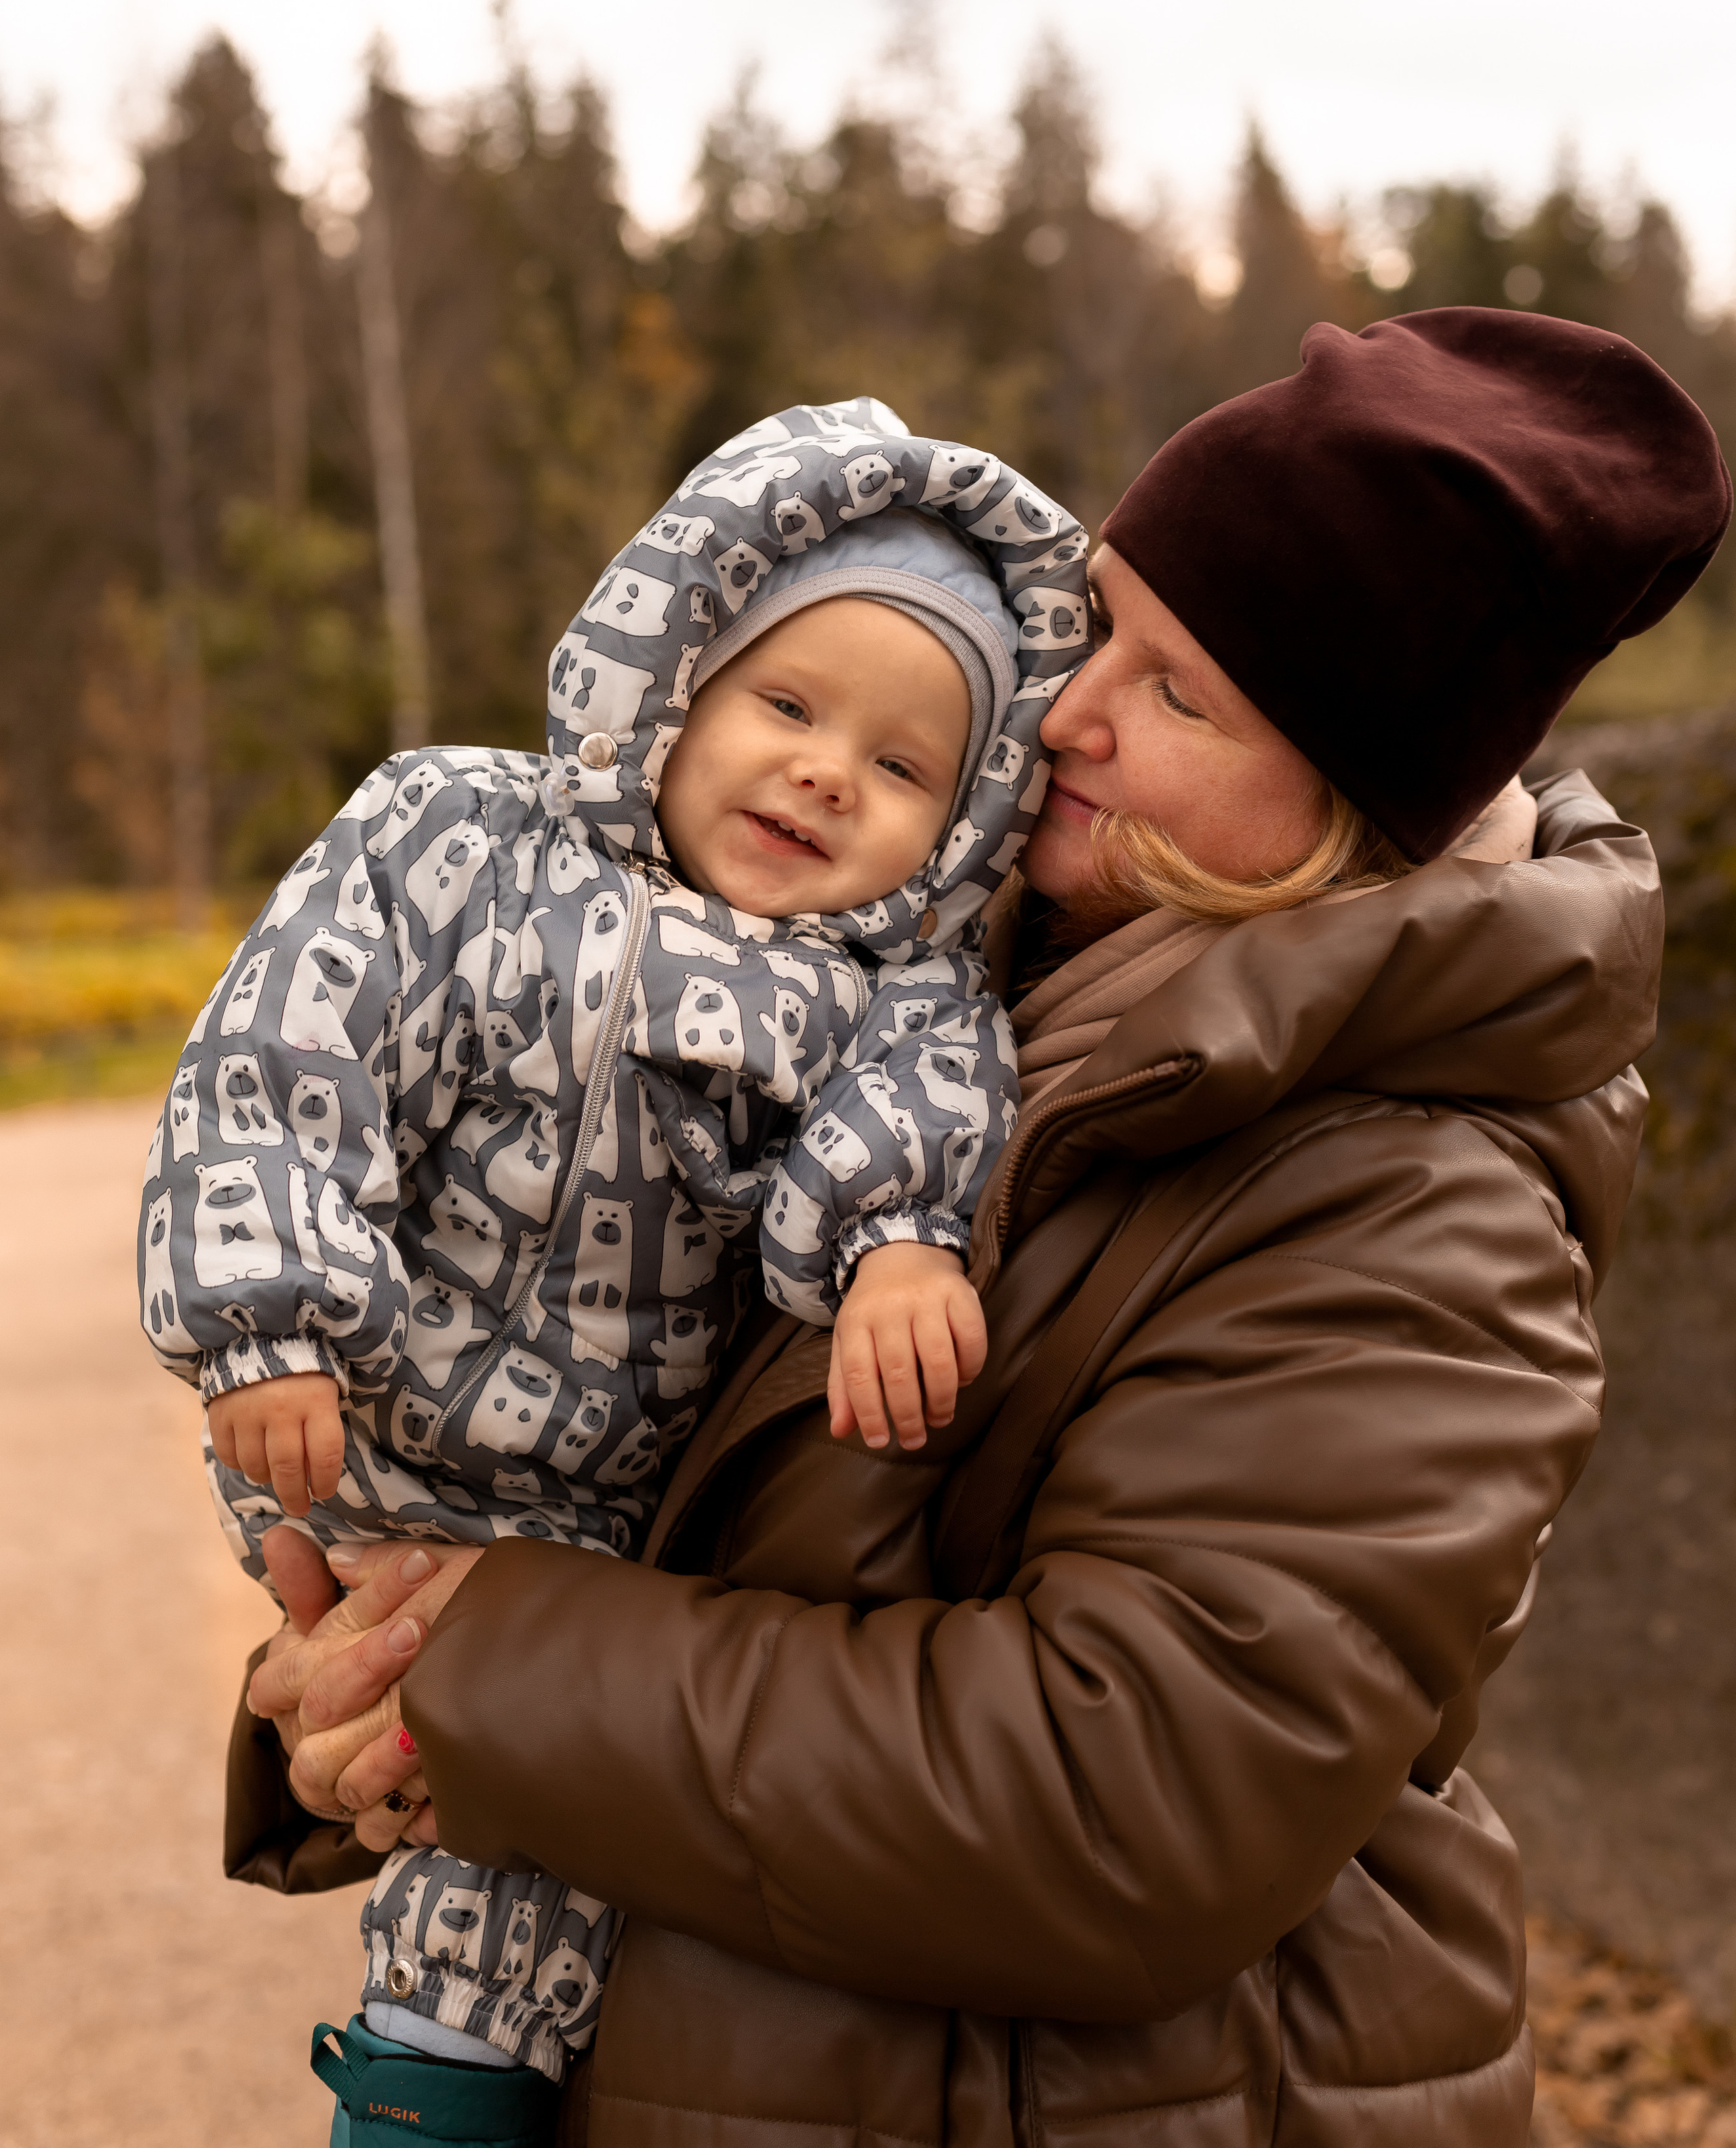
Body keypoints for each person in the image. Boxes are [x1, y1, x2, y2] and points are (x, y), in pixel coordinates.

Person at [235, 311, 1729, 2148]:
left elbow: (1129, 1795)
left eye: (1182, 694)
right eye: (1098, 621)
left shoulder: (1416, 1203)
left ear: (1363, 804)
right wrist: (375, 1659)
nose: (1066, 709)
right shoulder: (964, 970)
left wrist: (490, 1672)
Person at [137, 403, 1088, 2110]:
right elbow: (285, 1047)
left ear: (959, 833)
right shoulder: (458, 837)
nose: (821, 773)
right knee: (374, 1689)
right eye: (785, 707)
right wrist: (264, 1309)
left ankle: (428, 2093)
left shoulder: (896, 995)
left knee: (512, 1886)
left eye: (899, 768)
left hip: (591, 1524)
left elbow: (918, 1123)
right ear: (672, 676)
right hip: (352, 1418)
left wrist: (896, 1253)